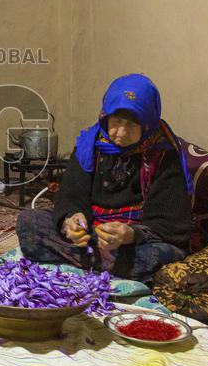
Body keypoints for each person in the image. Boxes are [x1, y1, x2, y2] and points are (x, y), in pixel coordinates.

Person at [15, 74, 193, 282]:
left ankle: (84, 262)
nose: (121, 133)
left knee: (157, 257)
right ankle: (103, 265)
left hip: (136, 241)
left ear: (147, 124)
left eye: (132, 124)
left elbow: (170, 225)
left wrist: (130, 234)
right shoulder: (89, 146)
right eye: (116, 121)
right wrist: (70, 221)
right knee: (29, 221)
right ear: (105, 117)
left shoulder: (164, 155)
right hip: (93, 232)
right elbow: (71, 194)